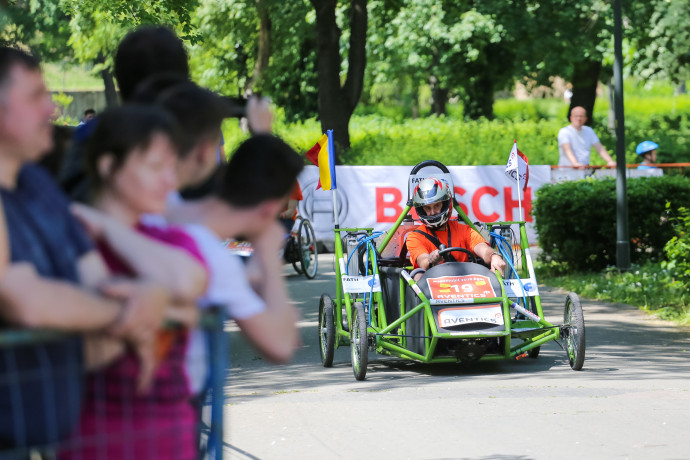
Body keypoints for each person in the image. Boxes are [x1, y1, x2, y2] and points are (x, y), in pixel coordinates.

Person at [0, 46, 168, 449]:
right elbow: (25, 299)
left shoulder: (37, 185)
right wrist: (129, 312)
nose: (51, 109)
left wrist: (143, 303)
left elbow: (98, 279)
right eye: (36, 96)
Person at [60, 105, 209, 459]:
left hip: (173, 440)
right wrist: (174, 309)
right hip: (93, 442)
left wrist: (109, 227)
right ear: (108, 166)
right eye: (156, 167)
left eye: (171, 167)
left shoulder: (174, 241)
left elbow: (190, 282)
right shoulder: (67, 242)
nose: (170, 182)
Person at [405, 178, 506, 278]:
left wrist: (494, 256)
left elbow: (483, 249)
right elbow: (423, 261)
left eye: (436, 205)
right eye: (427, 208)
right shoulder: (415, 237)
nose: (432, 212)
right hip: (434, 285)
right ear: (421, 210)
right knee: (418, 275)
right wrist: (431, 259)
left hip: (465, 285)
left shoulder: (464, 230)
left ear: (445, 204)